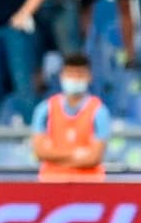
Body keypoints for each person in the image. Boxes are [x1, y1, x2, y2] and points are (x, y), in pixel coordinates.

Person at [30, 53, 109, 183]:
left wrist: (56, 156)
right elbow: (40, 152)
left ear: (89, 77)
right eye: (70, 74)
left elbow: (95, 157)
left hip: (89, 184)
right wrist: (76, 154)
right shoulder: (45, 109)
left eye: (80, 74)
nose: (75, 79)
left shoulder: (99, 111)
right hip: (51, 182)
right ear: (62, 76)